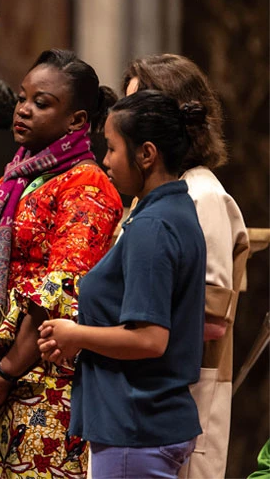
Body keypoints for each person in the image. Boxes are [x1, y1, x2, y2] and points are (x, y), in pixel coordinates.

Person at [0, 49, 123, 477]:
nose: (23, 110)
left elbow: (60, 292)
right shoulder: (10, 182)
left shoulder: (86, 184)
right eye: (22, 98)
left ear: (77, 121)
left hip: (47, 387)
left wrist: (4, 374)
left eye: (42, 102)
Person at [39, 89, 209, 477]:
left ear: (146, 154)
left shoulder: (153, 225)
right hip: (140, 421)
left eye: (112, 148)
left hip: (136, 423)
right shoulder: (167, 210)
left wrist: (77, 335)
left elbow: (150, 339)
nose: (105, 160)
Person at [123, 54, 249, 479]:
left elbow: (212, 317)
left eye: (138, 109)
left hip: (182, 398)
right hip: (139, 396)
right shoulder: (156, 194)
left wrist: (109, 331)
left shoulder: (202, 195)